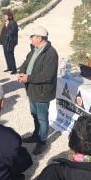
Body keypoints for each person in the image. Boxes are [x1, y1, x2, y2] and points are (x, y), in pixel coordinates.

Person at [18, 25, 58, 155]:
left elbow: (47, 75)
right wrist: (21, 73)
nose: (30, 39)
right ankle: (36, 134)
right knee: (34, 115)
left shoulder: (51, 53)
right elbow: (26, 62)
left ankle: (42, 141)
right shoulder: (35, 49)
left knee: (42, 118)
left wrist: (28, 77)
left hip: (42, 91)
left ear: (40, 38)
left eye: (32, 36)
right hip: (32, 89)